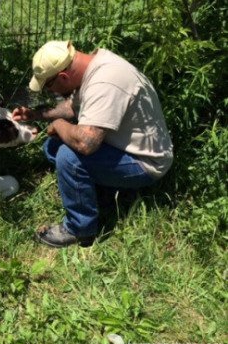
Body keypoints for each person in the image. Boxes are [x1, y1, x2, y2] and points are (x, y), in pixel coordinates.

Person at [12, 40, 173, 248]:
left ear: (63, 76)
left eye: (49, 86)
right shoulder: (94, 66)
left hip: (145, 162)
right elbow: (73, 106)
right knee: (53, 146)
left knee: (68, 158)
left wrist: (59, 124)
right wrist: (38, 114)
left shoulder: (104, 83)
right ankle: (104, 192)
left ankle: (80, 229)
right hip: (124, 147)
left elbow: (85, 143)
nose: (48, 91)